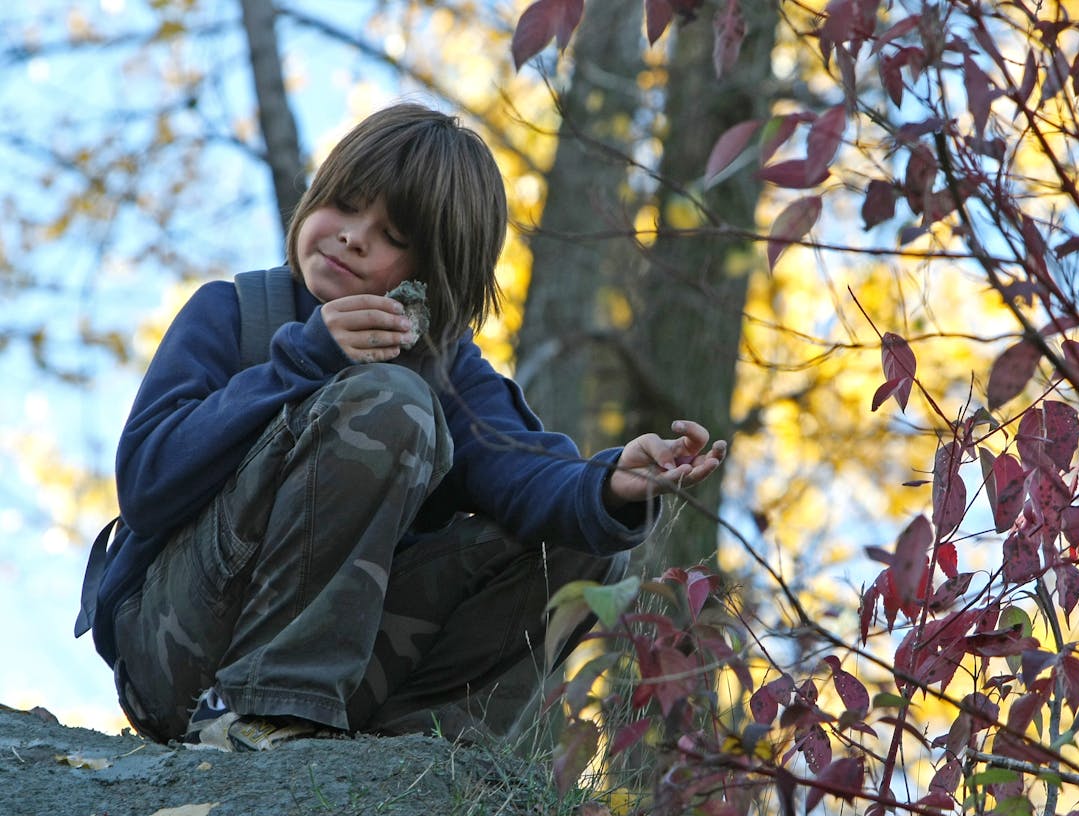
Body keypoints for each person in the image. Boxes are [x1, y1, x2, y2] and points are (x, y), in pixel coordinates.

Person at [74, 102, 726, 751]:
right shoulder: (235, 312)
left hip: (351, 682)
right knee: (390, 403)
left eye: (394, 237)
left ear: (432, 276)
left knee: (586, 546)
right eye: (347, 203)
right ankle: (259, 714)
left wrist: (611, 486)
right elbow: (146, 484)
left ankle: (421, 756)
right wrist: (305, 360)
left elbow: (526, 472)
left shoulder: (450, 377)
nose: (355, 236)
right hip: (174, 654)